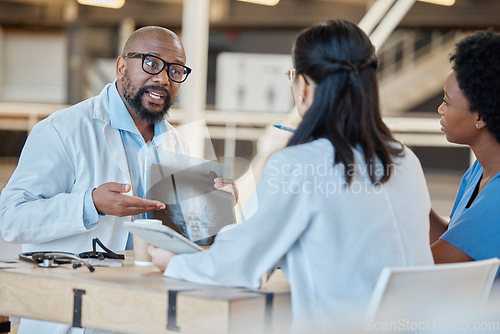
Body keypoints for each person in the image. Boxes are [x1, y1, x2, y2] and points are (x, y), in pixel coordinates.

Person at [148, 19, 433, 331]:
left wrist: (173, 262)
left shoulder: (299, 163)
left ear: (305, 86)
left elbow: (240, 267)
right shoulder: (406, 160)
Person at [0, 26, 235, 333]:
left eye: (175, 71)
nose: (163, 79)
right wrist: (91, 203)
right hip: (75, 313)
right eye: (151, 63)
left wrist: (217, 208)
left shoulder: (176, 143)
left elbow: (182, 237)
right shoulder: (63, 130)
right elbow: (11, 218)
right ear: (122, 65)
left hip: (145, 310)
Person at [430, 29, 500, 264]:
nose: (440, 109)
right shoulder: (478, 171)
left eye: (446, 102)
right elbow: (455, 242)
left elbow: (435, 264)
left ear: (480, 116)